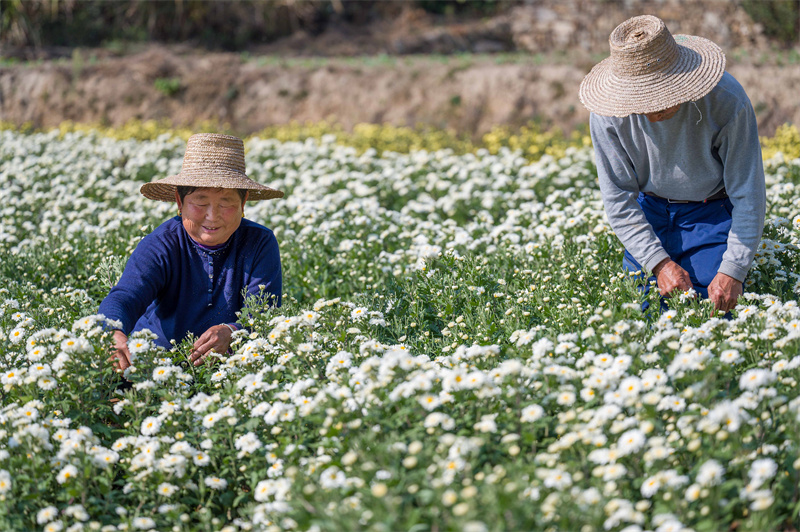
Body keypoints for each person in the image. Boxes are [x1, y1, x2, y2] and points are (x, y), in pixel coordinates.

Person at [578, 15, 766, 313]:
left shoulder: (726, 100)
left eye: (662, 95)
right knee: (644, 311)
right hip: (649, 209)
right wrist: (659, 263)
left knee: (715, 309)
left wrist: (734, 270)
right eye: (643, 100)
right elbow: (618, 200)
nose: (654, 109)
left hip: (710, 212)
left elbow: (748, 191)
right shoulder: (607, 114)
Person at [99, 133, 284, 371]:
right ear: (179, 201)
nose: (212, 215)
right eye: (200, 201)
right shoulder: (162, 243)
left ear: (244, 202)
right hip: (157, 366)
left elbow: (265, 315)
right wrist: (112, 331)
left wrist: (233, 332)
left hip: (231, 370)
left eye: (226, 202)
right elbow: (125, 296)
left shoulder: (260, 242)